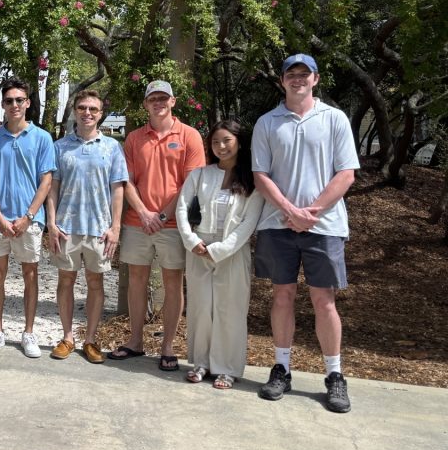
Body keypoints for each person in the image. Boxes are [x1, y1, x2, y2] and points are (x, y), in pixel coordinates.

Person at [252, 54, 359, 413]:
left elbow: (346, 174)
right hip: (277, 225)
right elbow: (261, 176)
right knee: (282, 296)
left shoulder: (334, 118)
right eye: (290, 74)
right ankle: (281, 368)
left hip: (324, 226)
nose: (297, 79)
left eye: (304, 74)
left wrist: (309, 213)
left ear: (315, 78)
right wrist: (289, 211)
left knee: (323, 300)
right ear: (282, 80)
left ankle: (334, 375)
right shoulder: (267, 122)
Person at [109, 79, 206, 371]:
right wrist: (144, 212)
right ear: (145, 105)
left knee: (172, 283)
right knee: (136, 281)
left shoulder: (189, 136)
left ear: (173, 102)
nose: (159, 103)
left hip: (174, 224)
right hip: (137, 222)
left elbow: (190, 183)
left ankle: (167, 347)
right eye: (153, 99)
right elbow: (127, 180)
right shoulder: (135, 138)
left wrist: (161, 216)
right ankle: (136, 341)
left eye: (164, 98)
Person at [175, 118, 264, 389]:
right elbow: (182, 208)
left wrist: (220, 250)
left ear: (238, 142)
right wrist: (193, 242)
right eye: (215, 141)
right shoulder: (200, 174)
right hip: (199, 248)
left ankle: (227, 368)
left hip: (232, 252)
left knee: (230, 310)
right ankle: (200, 363)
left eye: (227, 140)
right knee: (201, 308)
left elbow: (249, 222)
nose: (221, 146)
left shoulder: (252, 180)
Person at [45, 90, 127, 364]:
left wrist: (115, 227)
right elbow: (52, 188)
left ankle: (90, 340)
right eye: (82, 107)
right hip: (66, 227)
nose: (87, 112)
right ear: (75, 111)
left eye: (93, 108)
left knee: (95, 282)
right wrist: (51, 224)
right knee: (65, 281)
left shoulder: (112, 147)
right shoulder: (60, 147)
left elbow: (118, 189)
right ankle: (68, 337)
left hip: (99, 229)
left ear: (101, 113)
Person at [0, 78, 55, 358]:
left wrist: (28, 216)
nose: (14, 105)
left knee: (30, 275)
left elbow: (46, 180)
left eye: (19, 100)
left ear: (28, 103)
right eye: (9, 101)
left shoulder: (42, 138)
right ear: (3, 105)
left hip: (29, 222)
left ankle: (29, 332)